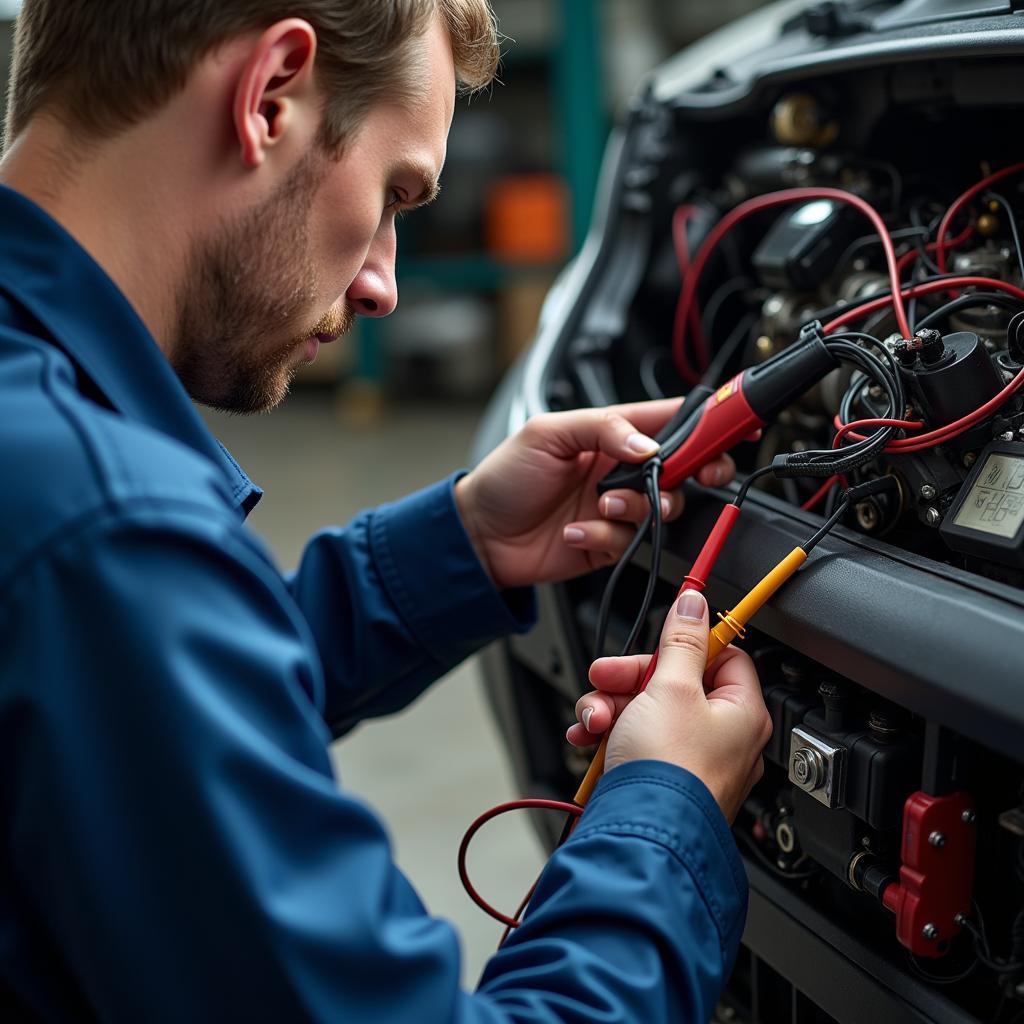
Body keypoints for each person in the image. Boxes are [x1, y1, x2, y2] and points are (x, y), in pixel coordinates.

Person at [0, 1, 772, 1020]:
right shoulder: (105, 529)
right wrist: (665, 807)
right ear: (272, 95)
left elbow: (111, 724)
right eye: (395, 193)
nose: (382, 286)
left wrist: (459, 548)